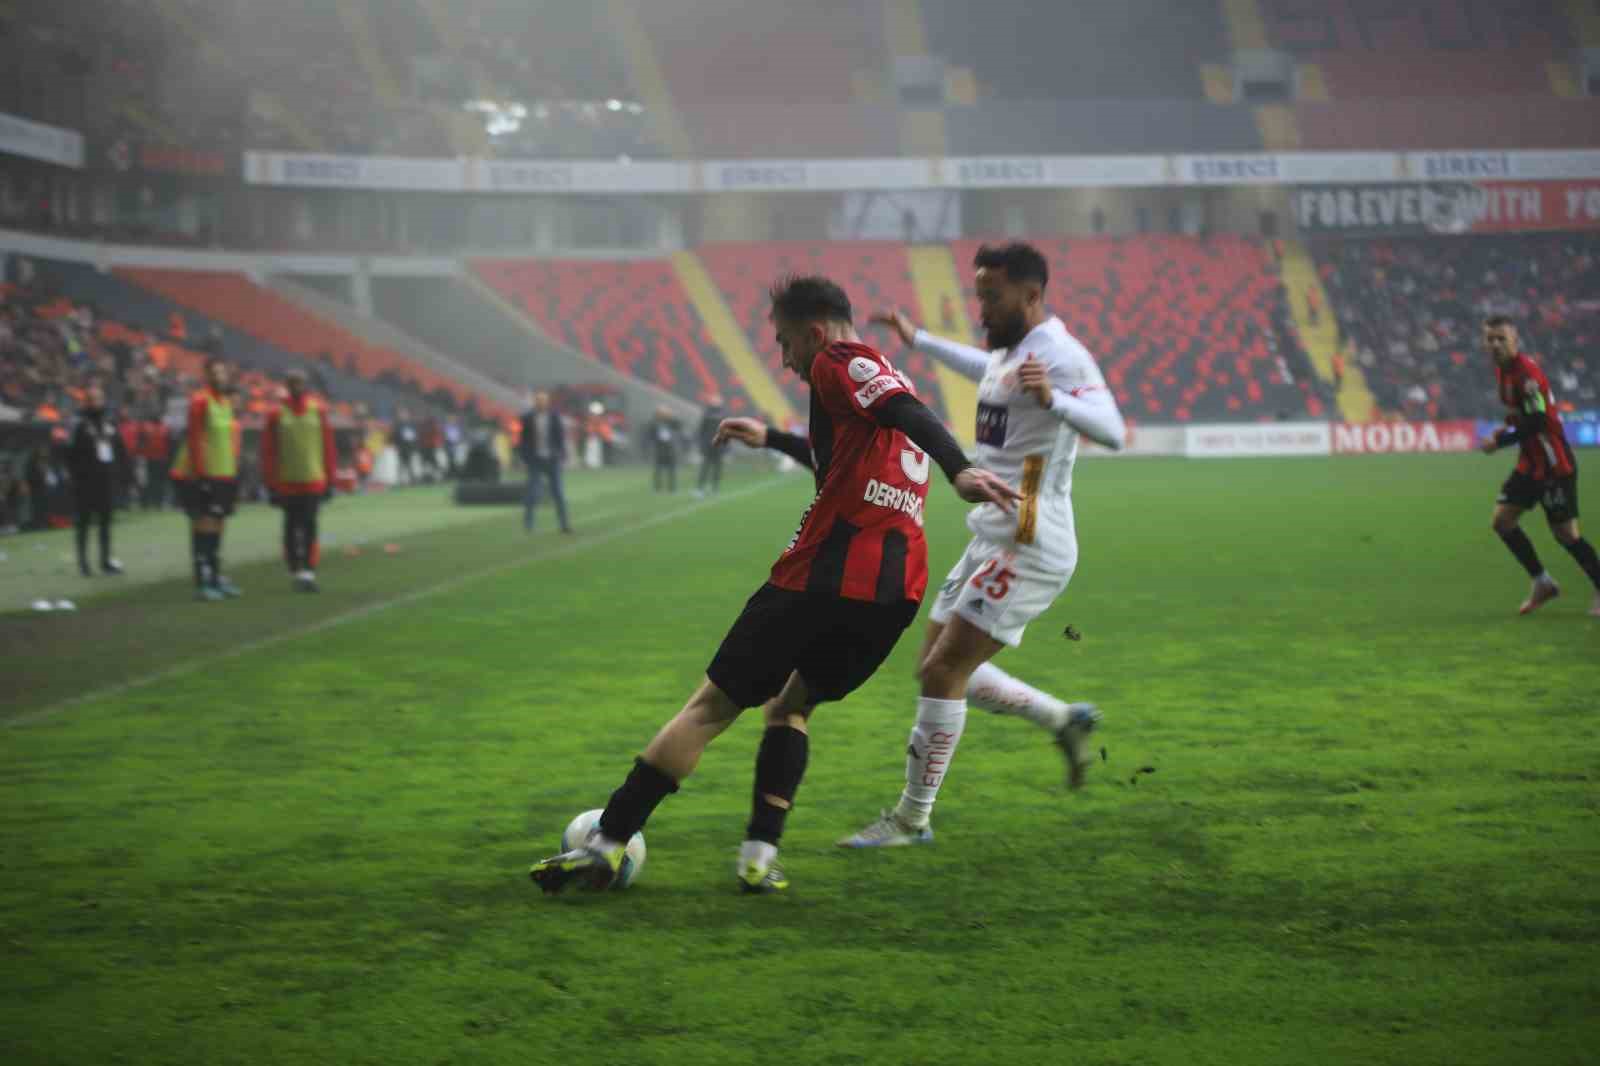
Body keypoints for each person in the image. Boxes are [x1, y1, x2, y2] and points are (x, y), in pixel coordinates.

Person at [528, 275, 1019, 896]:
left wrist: (962, 470)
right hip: (892, 598)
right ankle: (759, 858)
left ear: (815, 332)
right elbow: (852, 452)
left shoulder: (843, 360)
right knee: (790, 707)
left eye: (785, 342)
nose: (784, 359)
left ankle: (606, 840)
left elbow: (906, 413)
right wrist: (776, 438)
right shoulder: (882, 377)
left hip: (819, 577)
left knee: (709, 708)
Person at [839, 241, 1127, 849]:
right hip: (994, 531)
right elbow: (985, 371)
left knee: (944, 670)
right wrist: (919, 340)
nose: (982, 310)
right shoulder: (1012, 353)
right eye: (979, 297)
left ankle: (911, 819)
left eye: (991, 298)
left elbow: (1115, 430)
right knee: (935, 666)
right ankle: (1061, 719)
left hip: (1030, 540)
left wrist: (1056, 401)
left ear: (1031, 295)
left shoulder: (1061, 357)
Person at [1478, 315, 1600, 618]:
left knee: (1566, 535)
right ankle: (1542, 583)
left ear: (1515, 341)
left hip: (1553, 464)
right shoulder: (1502, 372)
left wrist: (1501, 442)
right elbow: (1522, 413)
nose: (1495, 344)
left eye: (1501, 338)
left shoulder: (1526, 374)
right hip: (1530, 463)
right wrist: (1505, 427)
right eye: (1490, 338)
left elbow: (1538, 421)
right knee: (1502, 522)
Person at [170, 357, 242, 602]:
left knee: (218, 526)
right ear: (207, 376)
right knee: (203, 525)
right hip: (205, 473)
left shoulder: (225, 403)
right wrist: (200, 474)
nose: (219, 377)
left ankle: (215, 577)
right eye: (214, 373)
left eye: (222, 372)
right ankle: (202, 581)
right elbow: (195, 438)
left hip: (224, 474)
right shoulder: (200, 402)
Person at [262, 368, 336, 592]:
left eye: (301, 382)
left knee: (310, 525)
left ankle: (309, 570)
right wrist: (270, 483)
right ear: (287, 385)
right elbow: (268, 450)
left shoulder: (318, 410)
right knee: (291, 526)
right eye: (293, 383)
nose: (297, 386)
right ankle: (296, 569)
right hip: (286, 482)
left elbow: (328, 446)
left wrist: (330, 479)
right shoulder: (276, 414)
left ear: (306, 385)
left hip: (313, 480)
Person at [66, 381, 127, 577]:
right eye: (92, 399)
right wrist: (78, 477)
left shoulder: (109, 423)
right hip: (85, 482)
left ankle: (106, 560)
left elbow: (119, 450)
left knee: (105, 523)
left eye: (99, 398)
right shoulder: (79, 425)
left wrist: (122, 474)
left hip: (106, 480)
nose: (97, 402)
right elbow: (70, 454)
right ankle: (83, 564)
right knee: (84, 523)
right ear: (86, 402)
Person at [518, 389, 571, 534]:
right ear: (535, 402)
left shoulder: (554, 417)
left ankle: (564, 524)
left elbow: (560, 438)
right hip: (535, 461)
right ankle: (528, 525)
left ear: (547, 402)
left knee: (558, 493)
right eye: (538, 400)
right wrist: (523, 459)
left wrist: (562, 456)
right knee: (532, 493)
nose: (541, 403)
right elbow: (523, 441)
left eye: (543, 400)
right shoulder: (527, 418)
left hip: (552, 460)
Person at [693, 393, 726, 498]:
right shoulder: (707, 414)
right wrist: (701, 444)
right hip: (708, 445)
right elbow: (701, 430)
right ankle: (700, 489)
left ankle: (714, 488)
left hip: (719, 445)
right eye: (715, 400)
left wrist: (726, 446)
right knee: (705, 467)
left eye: (718, 400)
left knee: (717, 468)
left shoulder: (723, 414)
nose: (717, 402)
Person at [648, 406, 680, 492]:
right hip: (660, 448)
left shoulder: (672, 423)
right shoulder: (655, 423)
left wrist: (672, 416)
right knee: (658, 469)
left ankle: (672, 487)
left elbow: (678, 425)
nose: (663, 415)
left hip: (670, 448)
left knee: (671, 469)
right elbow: (651, 435)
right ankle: (657, 487)